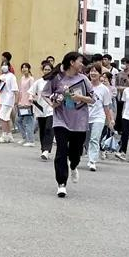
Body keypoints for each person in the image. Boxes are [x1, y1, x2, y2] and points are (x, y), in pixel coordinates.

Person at [43, 52, 93, 197]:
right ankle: (61, 184)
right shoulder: (57, 78)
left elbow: (93, 98)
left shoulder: (83, 79)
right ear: (72, 62)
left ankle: (74, 165)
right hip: (61, 120)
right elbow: (45, 94)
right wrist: (52, 103)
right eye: (80, 62)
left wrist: (80, 97)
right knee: (61, 151)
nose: (82, 65)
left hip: (79, 121)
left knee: (75, 153)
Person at [85, 64, 115, 172]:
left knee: (94, 138)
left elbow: (106, 106)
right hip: (85, 117)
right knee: (86, 139)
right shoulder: (85, 86)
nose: (93, 73)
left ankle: (92, 161)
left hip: (99, 117)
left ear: (100, 74)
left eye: (95, 71)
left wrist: (110, 119)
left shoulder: (104, 89)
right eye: (91, 71)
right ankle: (87, 154)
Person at [30, 61, 55, 161]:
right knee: (43, 130)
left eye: (49, 69)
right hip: (40, 109)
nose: (47, 71)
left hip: (52, 108)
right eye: (45, 69)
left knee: (49, 128)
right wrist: (31, 98)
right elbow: (31, 92)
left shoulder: (55, 81)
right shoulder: (39, 82)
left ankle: (47, 150)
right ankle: (43, 149)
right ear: (42, 70)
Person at [0, 62, 18, 143]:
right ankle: (9, 135)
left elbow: (15, 89)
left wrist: (16, 100)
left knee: (2, 117)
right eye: (2, 65)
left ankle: (4, 134)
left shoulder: (12, 76)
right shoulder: (1, 76)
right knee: (6, 118)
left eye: (6, 65)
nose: (4, 67)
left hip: (8, 99)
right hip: (1, 99)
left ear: (9, 66)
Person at [15, 63, 37, 146]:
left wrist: (29, 102)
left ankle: (31, 141)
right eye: (23, 67)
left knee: (29, 122)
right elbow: (20, 91)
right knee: (18, 121)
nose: (24, 69)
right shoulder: (22, 78)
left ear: (29, 69)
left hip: (28, 104)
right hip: (22, 103)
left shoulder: (31, 79)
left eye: (26, 67)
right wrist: (18, 101)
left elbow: (32, 91)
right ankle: (25, 137)